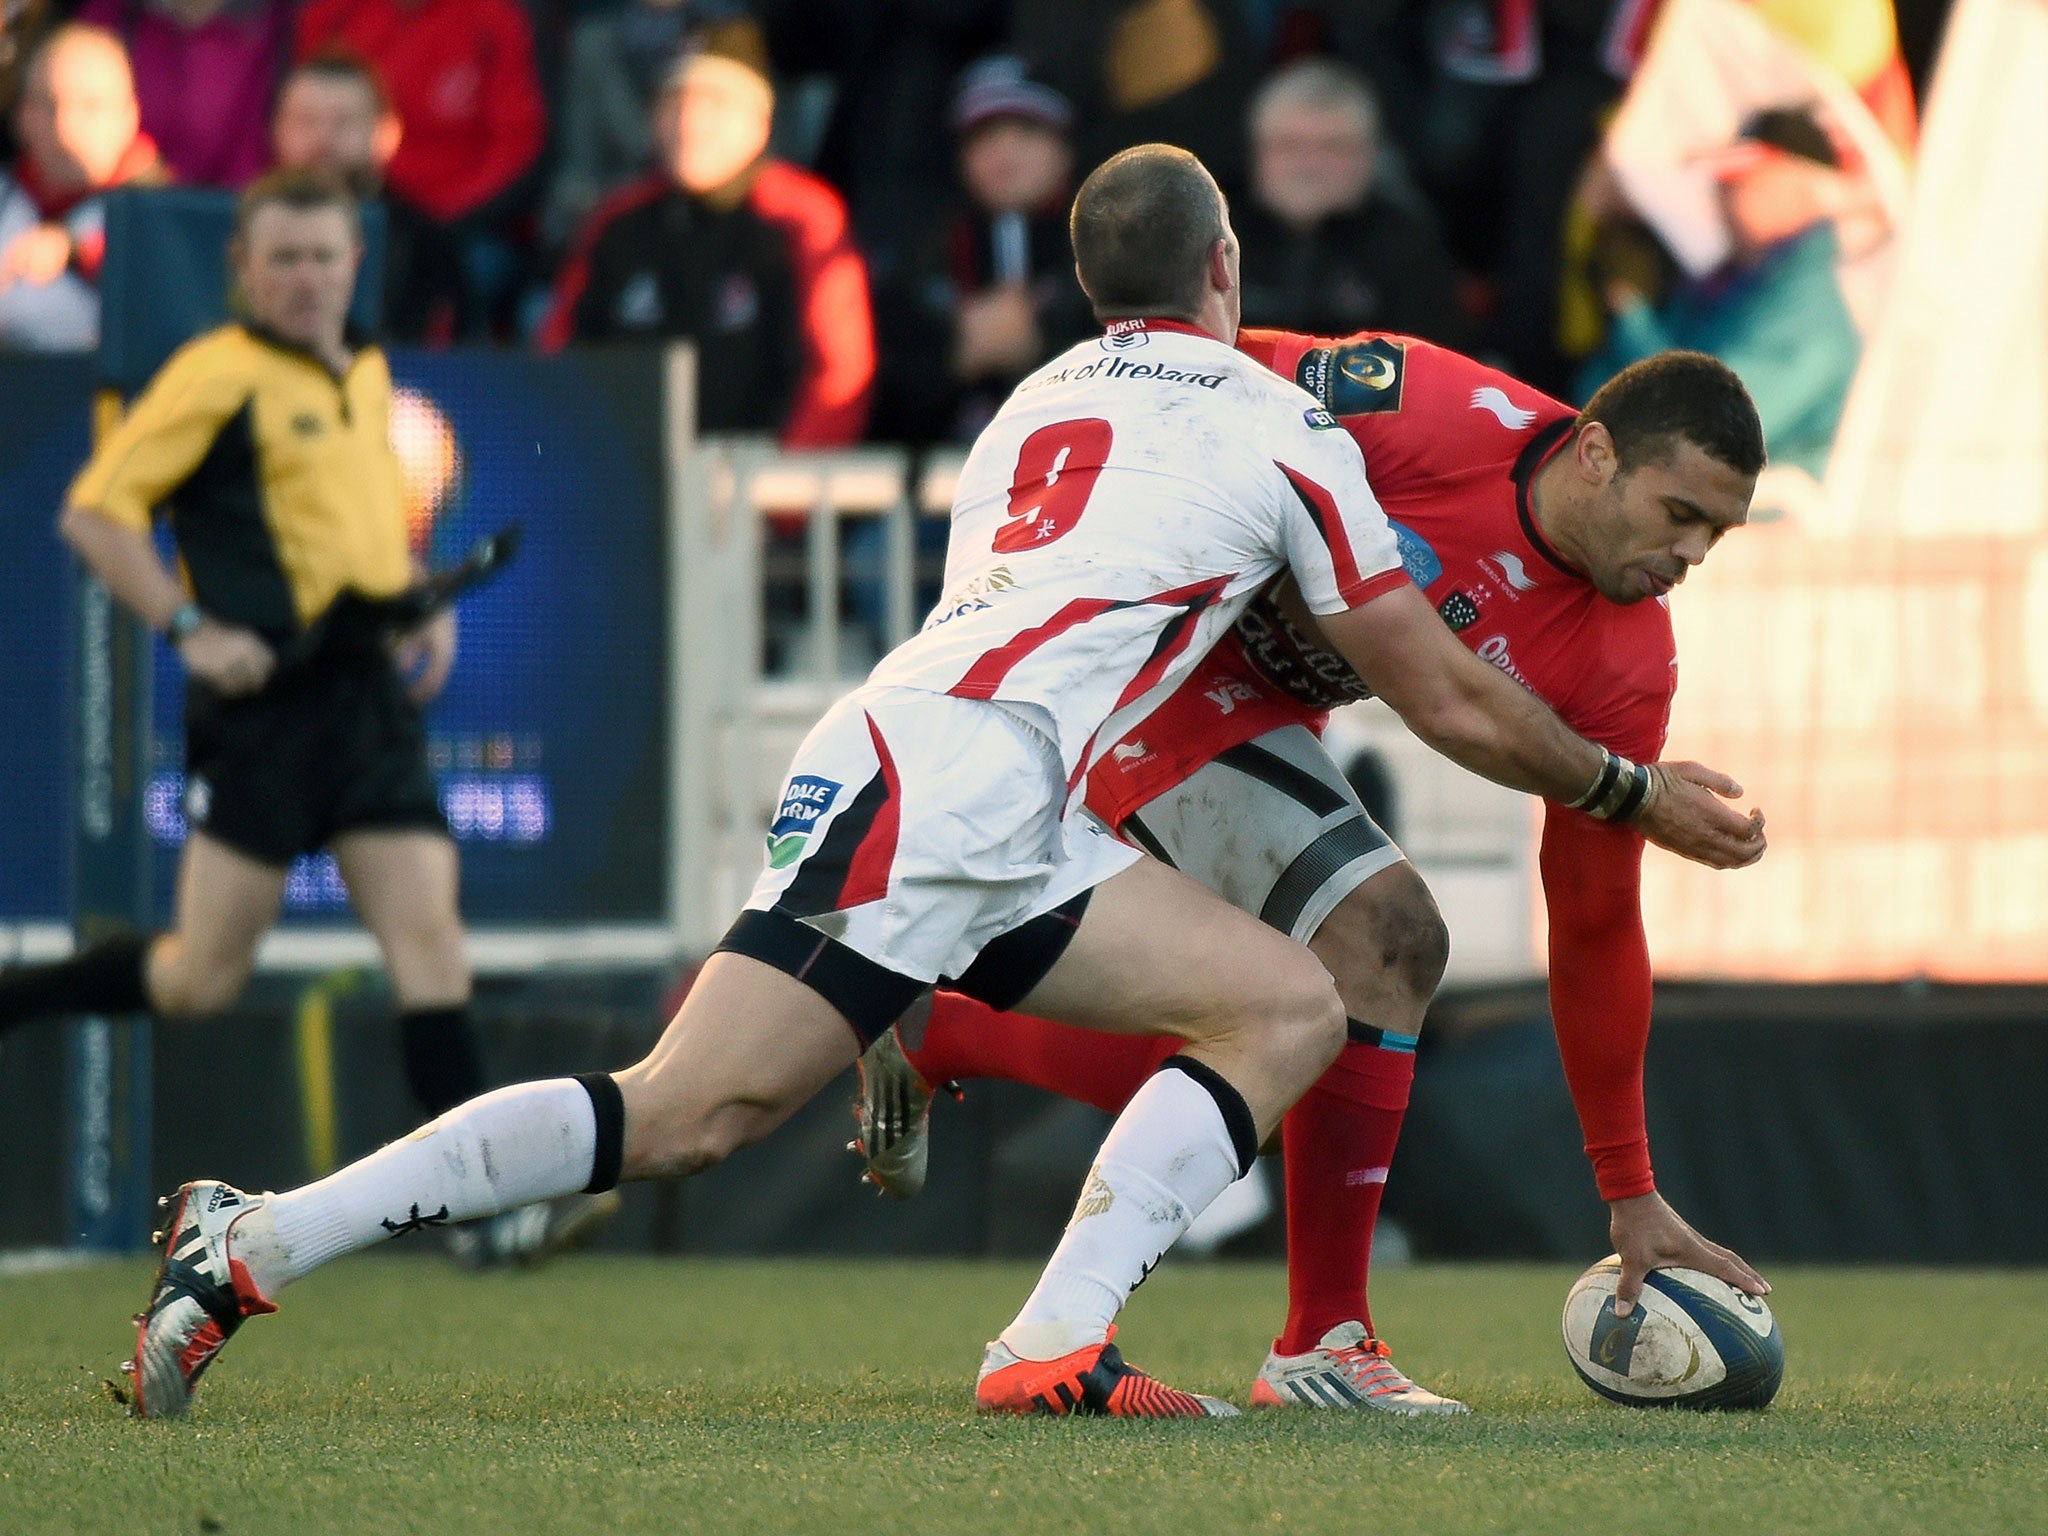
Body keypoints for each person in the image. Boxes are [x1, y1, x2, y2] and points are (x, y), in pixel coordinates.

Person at [123, 145, 1764, 1422]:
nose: (1685, 559)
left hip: (915, 752)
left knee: (729, 1104)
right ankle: (1053, 1338)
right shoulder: (1290, 427)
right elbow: (1434, 684)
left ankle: (259, 1236)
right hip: (986, 777)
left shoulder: (1032, 402)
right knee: (738, 1105)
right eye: (1681, 522)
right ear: (1225, 269)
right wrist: (1629, 792)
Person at [854, 330, 1775, 1410]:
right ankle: (1319, 1346)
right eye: (1681, 515)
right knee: (1385, 936)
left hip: (1269, 711)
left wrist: (1629, 1190)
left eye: (1716, 533)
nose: (1693, 554)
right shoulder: (1422, 408)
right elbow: (1187, 357)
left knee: (1271, 1033)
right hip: (1152, 662)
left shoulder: (1626, 660)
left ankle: (948, 1028)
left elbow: (1592, 922)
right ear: (1593, 454)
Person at [0, 170, 608, 1261]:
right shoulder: (215, 374)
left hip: (365, 695)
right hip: (265, 710)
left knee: (430, 946)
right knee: (200, 978)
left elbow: (366, 521)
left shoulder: (365, 367)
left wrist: (421, 602)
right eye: (281, 257)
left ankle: (482, 1219)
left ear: (354, 261)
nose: (305, 277)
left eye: (323, 255)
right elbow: (96, 517)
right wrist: (188, 626)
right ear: (241, 268)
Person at [539, 45, 875, 449]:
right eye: (674, 104)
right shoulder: (619, 222)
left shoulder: (802, 217)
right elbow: (557, 356)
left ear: (760, 124)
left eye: (715, 105)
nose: (690, 123)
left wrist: (780, 497)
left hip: (758, 485)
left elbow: (839, 370)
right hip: (629, 484)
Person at [1578, 107, 1862, 478]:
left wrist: (1629, 315)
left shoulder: (1813, 319)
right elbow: (1594, 388)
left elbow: (1707, 427)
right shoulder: (1731, 284)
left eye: (1740, 179)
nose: (1720, 192)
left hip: (1744, 526)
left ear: (1798, 189)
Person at [871, 54, 1096, 446]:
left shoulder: (1110, 242)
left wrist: (1044, 339)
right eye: (985, 134)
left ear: (1065, 149)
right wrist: (955, 356)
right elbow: (884, 399)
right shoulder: (924, 253)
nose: (1005, 150)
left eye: (1027, 130)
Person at [295, 0, 544, 340]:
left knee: (459, 274)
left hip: (462, 224)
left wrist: (445, 222)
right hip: (340, 207)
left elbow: (520, 144)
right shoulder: (332, 15)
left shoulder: (491, 20)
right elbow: (301, 115)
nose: (324, 133)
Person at [1233, 58, 1474, 350]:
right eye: (1289, 144)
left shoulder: (1406, 242)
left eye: (1334, 147)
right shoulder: (1213, 236)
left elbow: (1434, 361)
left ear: (1370, 157)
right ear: (1256, 152)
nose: (1310, 165)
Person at [0, 23, 166, 352]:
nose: (66, 126)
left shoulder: (161, 213)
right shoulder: (7, 196)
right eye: (48, 104)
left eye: (91, 106)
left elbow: (166, 306)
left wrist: (78, 253)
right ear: (21, 117)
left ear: (129, 115)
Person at [74, 0, 293, 188]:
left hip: (231, 211)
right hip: (113, 203)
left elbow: (258, 140)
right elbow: (76, 99)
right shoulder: (114, 13)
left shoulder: (274, 23)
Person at [270, 51, 399, 201]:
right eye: (306, 120)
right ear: (277, 129)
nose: (323, 138)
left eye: (343, 121)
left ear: (388, 133)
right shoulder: (243, 221)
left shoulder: (418, 222)